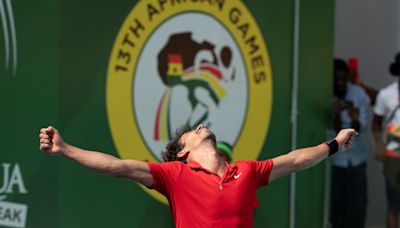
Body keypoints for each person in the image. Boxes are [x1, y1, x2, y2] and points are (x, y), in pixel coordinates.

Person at [39, 124, 357, 227]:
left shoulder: (246, 171)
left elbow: (295, 161)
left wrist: (333, 145)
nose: (201, 127)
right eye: (192, 130)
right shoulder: (174, 175)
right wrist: (66, 149)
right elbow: (118, 167)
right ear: (183, 151)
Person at [330, 59, 370, 228]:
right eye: (337, 80)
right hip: (334, 161)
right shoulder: (325, 95)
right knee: (336, 209)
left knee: (358, 207)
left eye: (343, 79)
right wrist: (336, 115)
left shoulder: (359, 94)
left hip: (357, 160)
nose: (340, 83)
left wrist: (354, 118)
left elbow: (364, 126)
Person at [373, 52, 400, 228]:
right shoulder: (386, 94)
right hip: (393, 157)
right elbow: (376, 124)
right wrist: (379, 146)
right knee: (393, 205)